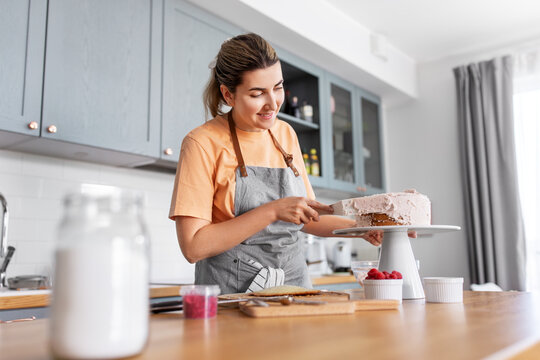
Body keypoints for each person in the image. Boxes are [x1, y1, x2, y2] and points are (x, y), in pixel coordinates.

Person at [169, 33, 384, 294]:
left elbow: (307, 218)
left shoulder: (285, 134)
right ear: (228, 95)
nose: (273, 104)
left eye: (278, 87)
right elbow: (193, 246)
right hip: (233, 297)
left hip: (294, 289)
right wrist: (272, 211)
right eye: (258, 93)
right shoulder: (201, 143)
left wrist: (362, 228)